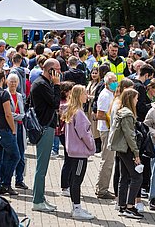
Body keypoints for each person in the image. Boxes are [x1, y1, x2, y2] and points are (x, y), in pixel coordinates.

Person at [30, 57, 61, 212]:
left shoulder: (42, 83)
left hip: (45, 126)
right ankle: (37, 200)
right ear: (51, 70)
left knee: (43, 166)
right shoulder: (42, 84)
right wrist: (57, 85)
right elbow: (55, 103)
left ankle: (40, 197)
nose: (60, 73)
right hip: (44, 127)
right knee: (41, 168)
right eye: (58, 70)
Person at [61, 84, 96, 220]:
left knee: (75, 179)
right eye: (85, 94)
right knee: (77, 180)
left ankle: (76, 207)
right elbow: (84, 134)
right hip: (80, 152)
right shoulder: (78, 113)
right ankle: (77, 208)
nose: (87, 96)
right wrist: (92, 147)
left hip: (74, 150)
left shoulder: (71, 110)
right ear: (79, 95)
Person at [108, 88, 144, 219]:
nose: (137, 100)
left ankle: (122, 206)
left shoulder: (120, 111)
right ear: (130, 99)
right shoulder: (128, 114)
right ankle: (129, 206)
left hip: (120, 149)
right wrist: (136, 153)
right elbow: (130, 135)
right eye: (136, 98)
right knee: (137, 177)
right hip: (127, 149)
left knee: (124, 177)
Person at [95, 72, 118, 199]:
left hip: (110, 129)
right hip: (106, 130)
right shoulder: (105, 95)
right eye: (112, 81)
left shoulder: (111, 94)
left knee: (109, 160)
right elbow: (100, 114)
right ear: (106, 83)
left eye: (115, 80)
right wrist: (113, 119)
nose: (115, 83)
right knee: (107, 160)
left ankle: (102, 187)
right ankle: (102, 189)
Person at [5, 73, 27, 190]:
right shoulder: (5, 94)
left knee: (21, 153)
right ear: (7, 82)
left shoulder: (19, 95)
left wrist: (20, 116)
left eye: (15, 81)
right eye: (11, 81)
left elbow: (22, 112)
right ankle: (7, 180)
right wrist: (20, 116)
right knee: (13, 154)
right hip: (11, 126)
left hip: (20, 126)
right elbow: (8, 114)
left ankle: (19, 179)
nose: (13, 83)